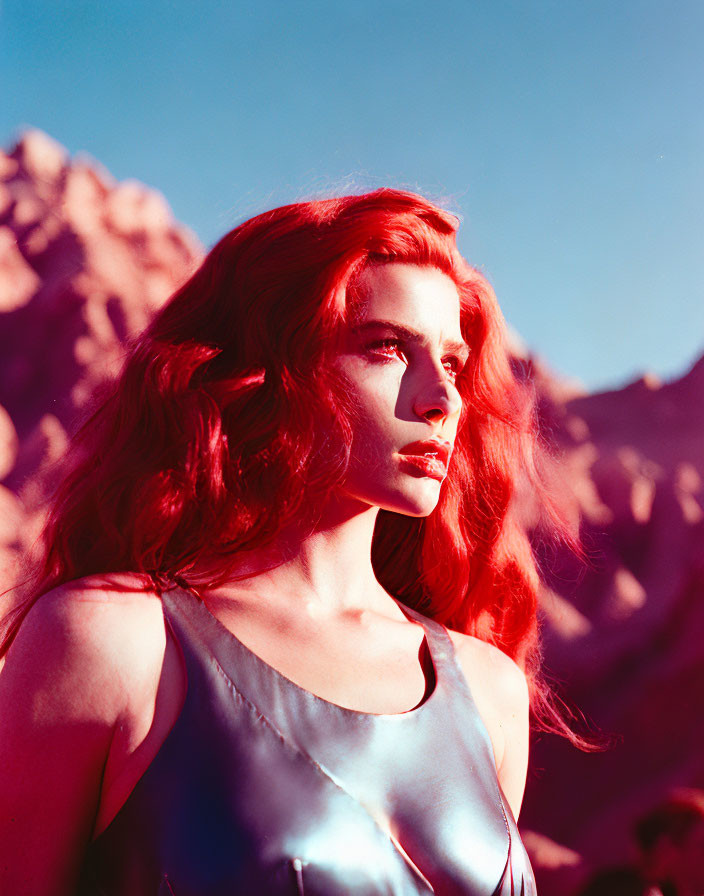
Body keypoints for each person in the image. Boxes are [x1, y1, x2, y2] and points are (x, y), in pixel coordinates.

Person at [0, 188, 579, 895]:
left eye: (453, 363)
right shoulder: (113, 644)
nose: (442, 399)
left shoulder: (489, 692)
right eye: (389, 348)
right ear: (273, 366)